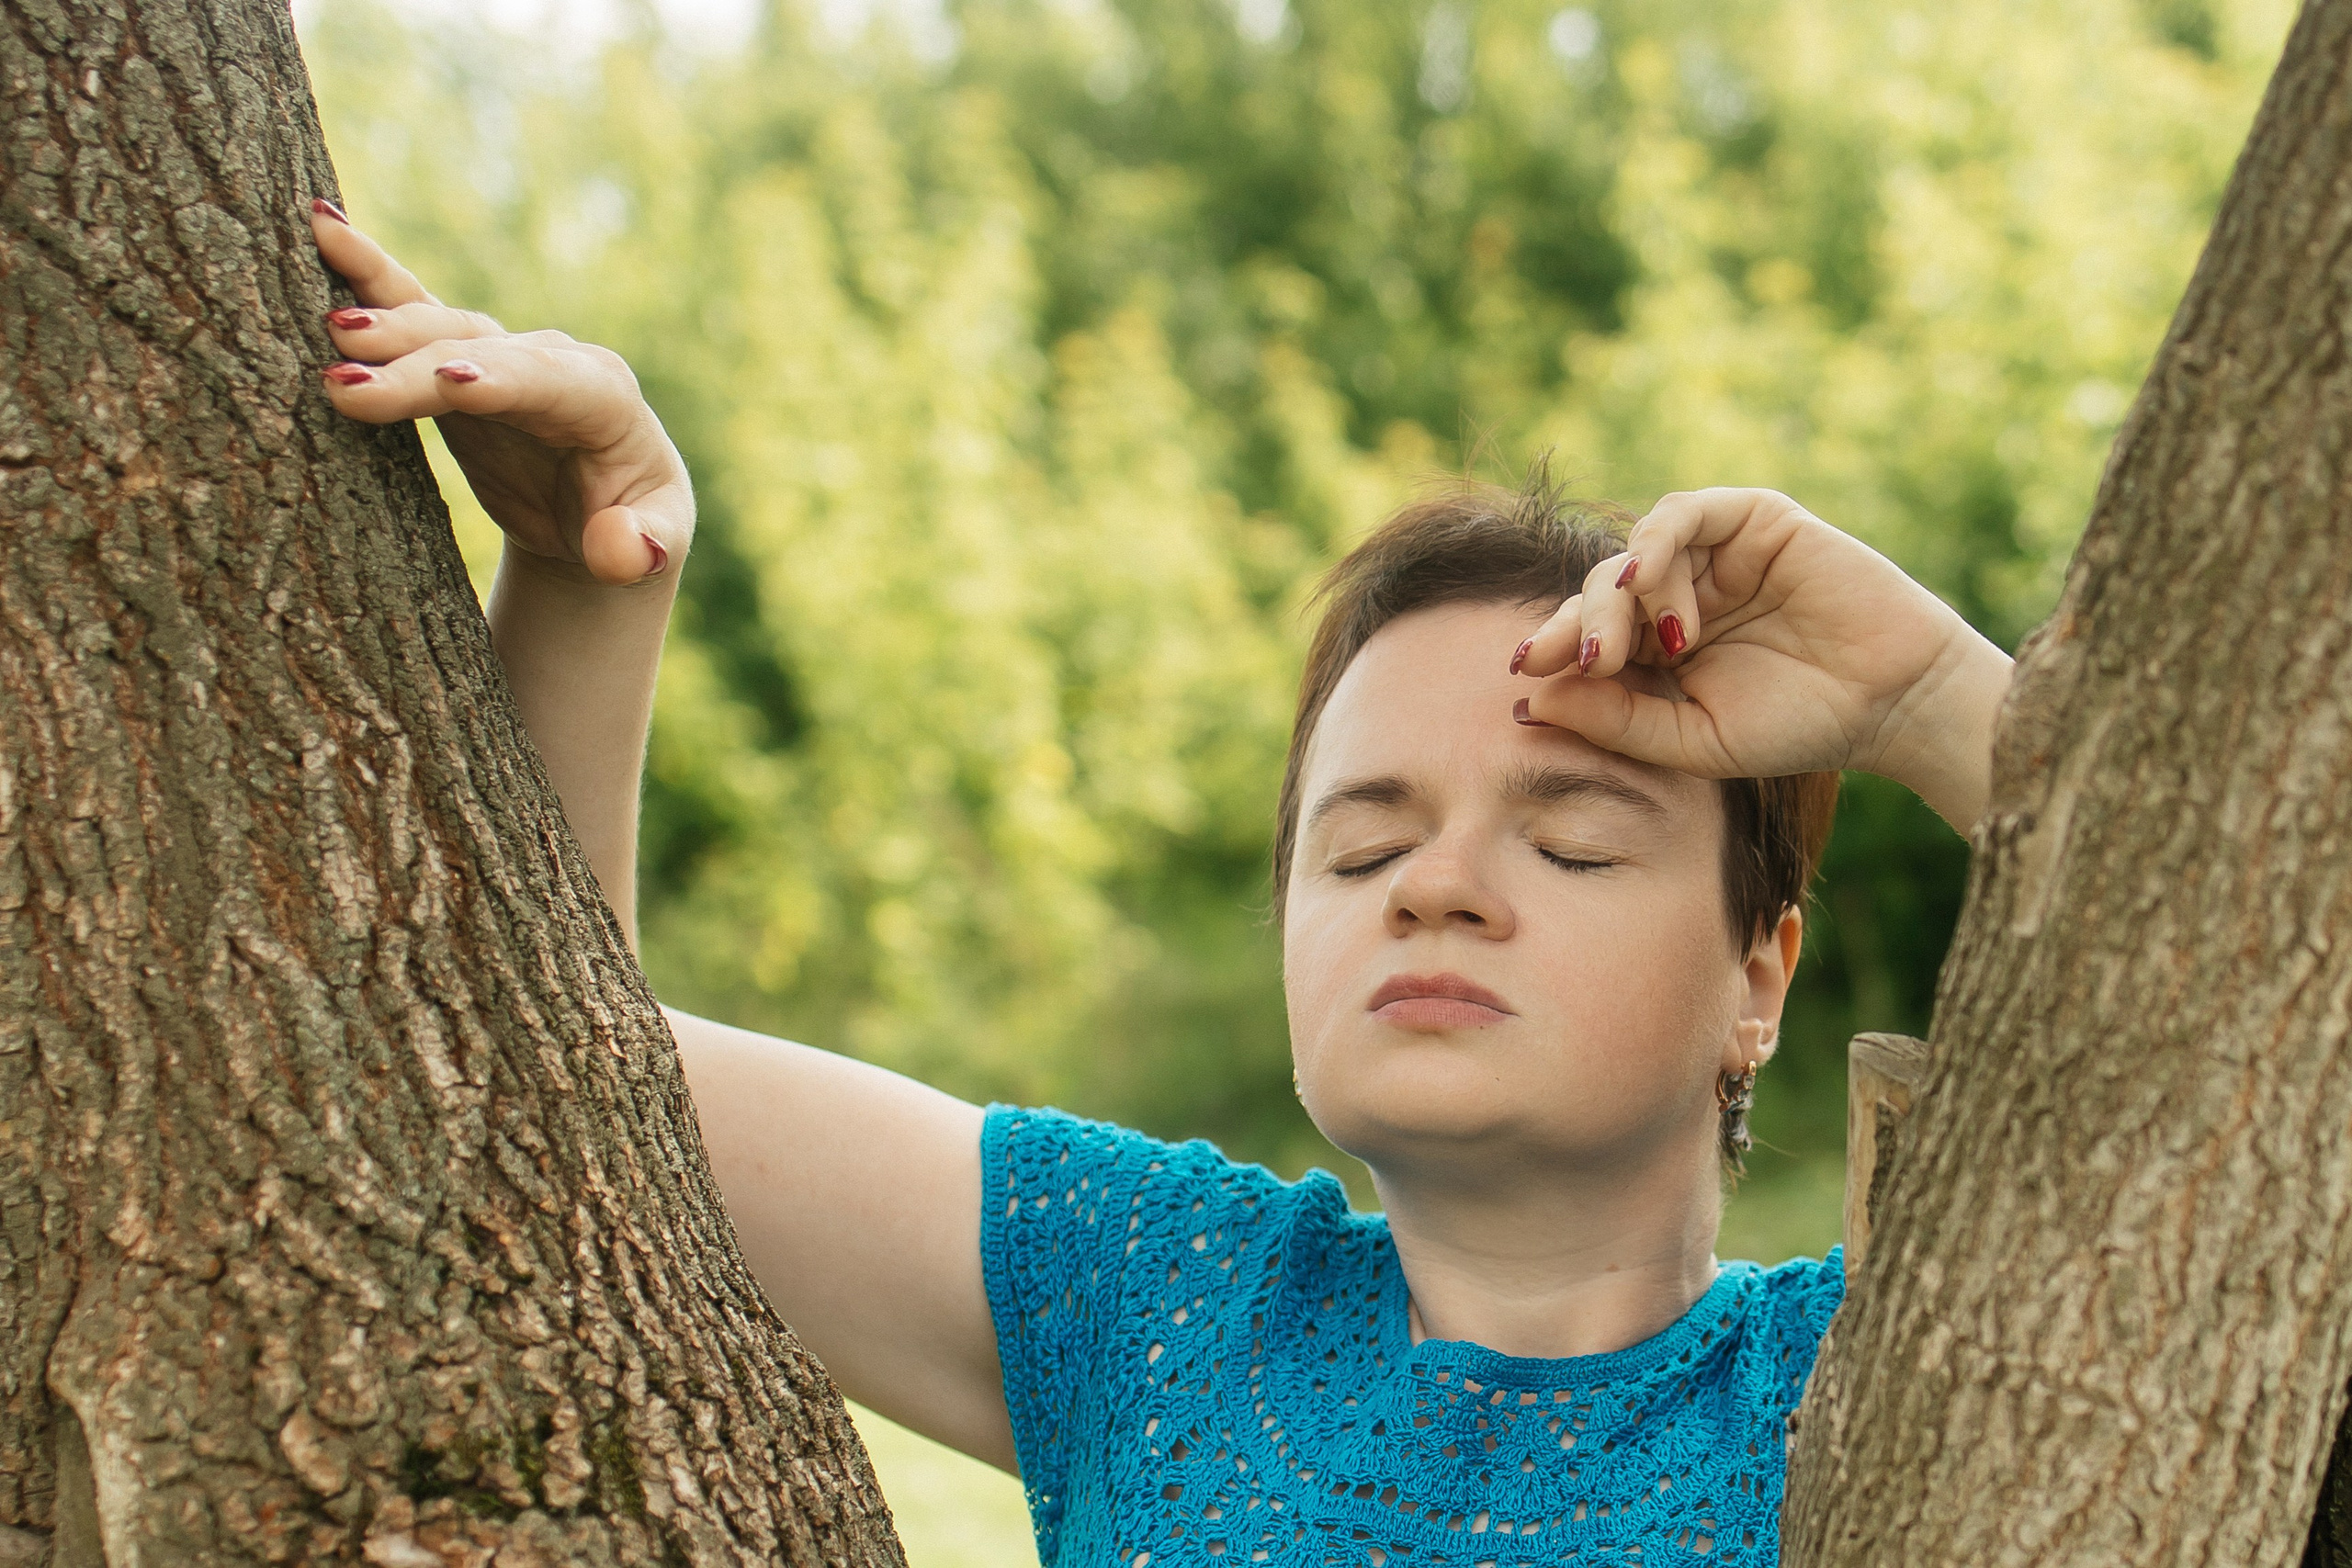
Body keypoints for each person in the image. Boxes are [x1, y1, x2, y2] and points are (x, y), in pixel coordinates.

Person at [307, 198, 2013, 1563]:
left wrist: (1939, 704)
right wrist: (584, 570)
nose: (1437, 887)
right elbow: (531, 1069)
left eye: (1568, 839)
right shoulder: (1146, 1292)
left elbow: (2266, 1103)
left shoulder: (1896, 1376)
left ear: (1759, 979)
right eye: (1359, 844)